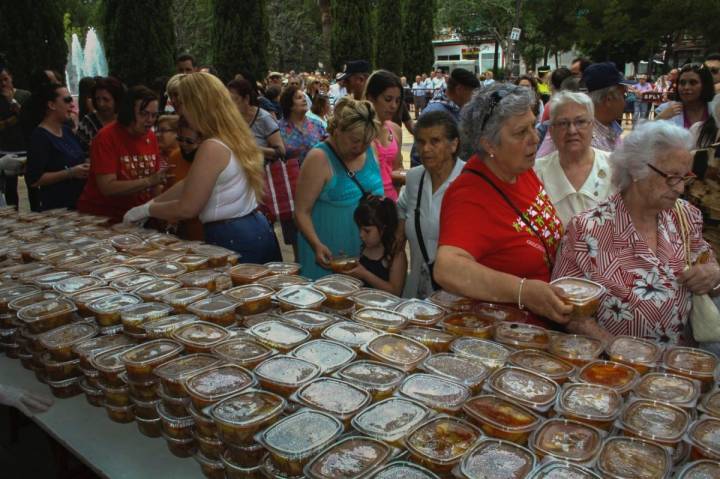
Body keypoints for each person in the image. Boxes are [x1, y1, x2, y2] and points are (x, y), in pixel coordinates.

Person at [553, 121, 720, 344]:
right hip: (612, 368)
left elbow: (710, 269)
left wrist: (713, 275)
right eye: (672, 177)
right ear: (635, 170)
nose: (680, 188)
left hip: (678, 366)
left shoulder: (686, 217)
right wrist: (620, 350)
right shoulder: (586, 230)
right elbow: (566, 309)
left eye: (684, 177)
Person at [434, 84, 571, 327]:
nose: (534, 138)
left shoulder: (520, 169)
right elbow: (447, 268)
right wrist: (523, 292)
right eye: (520, 133)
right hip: (508, 335)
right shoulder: (468, 195)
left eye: (533, 125)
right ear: (489, 145)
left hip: (544, 327)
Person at [123, 73, 282, 263]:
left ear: (197, 105)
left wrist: (146, 211)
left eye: (183, 104)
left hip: (232, 236)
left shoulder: (212, 146)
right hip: (254, 228)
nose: (180, 111)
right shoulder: (234, 136)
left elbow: (187, 208)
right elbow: (190, 183)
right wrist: (148, 205)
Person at [295, 97, 383, 279]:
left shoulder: (370, 149)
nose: (360, 147)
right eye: (354, 140)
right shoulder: (318, 158)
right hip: (328, 254)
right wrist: (316, 245)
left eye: (366, 142)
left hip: (365, 256)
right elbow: (301, 212)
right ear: (338, 130)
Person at [397, 110, 465, 298]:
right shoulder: (414, 178)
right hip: (417, 295)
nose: (425, 149)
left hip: (457, 298)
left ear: (453, 144)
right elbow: (402, 208)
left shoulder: (469, 181)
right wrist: (399, 232)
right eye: (420, 142)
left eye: (435, 141)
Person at [76, 85, 168, 222]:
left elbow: (154, 185)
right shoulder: (106, 137)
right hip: (101, 217)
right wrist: (149, 181)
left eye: (154, 115)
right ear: (129, 112)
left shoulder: (151, 137)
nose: (150, 120)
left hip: (136, 216)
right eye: (143, 114)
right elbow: (107, 187)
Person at [534, 91, 613, 226]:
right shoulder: (537, 173)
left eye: (580, 122)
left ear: (592, 126)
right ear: (552, 130)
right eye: (563, 123)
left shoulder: (615, 167)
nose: (572, 130)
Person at [26, 83, 89, 211]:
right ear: (51, 105)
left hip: (79, 204)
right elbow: (34, 180)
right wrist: (70, 173)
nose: (72, 104)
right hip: (58, 210)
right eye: (67, 100)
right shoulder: (40, 137)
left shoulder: (66, 131)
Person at [414, 68, 480, 166]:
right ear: (459, 90)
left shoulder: (458, 110)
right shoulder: (434, 113)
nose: (472, 98)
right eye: (471, 93)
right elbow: (418, 154)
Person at [347, 195, 407, 295]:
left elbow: (395, 291)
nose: (361, 235)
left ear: (384, 228)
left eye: (367, 231)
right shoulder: (365, 247)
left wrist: (365, 274)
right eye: (360, 229)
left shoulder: (396, 254)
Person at [364, 70, 404, 201]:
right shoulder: (360, 130)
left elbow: (397, 167)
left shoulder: (395, 129)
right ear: (371, 98)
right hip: (366, 205)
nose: (393, 106)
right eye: (388, 99)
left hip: (391, 204)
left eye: (397, 101)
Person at [165, 116, 204, 241]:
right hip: (182, 236)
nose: (183, 145)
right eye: (180, 139)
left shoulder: (210, 160)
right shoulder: (175, 157)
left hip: (207, 233)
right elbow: (168, 193)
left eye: (189, 141)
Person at [227, 79, 285, 161]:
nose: (230, 105)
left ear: (246, 98)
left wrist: (253, 149)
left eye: (234, 100)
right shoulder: (230, 119)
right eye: (228, 101)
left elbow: (281, 151)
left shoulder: (264, 118)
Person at [0, 57, 31, 208]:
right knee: (10, 188)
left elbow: (29, 118)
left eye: (5, 79)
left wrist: (12, 102)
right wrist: (10, 121)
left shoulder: (24, 96)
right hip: (6, 149)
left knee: (33, 183)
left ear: (11, 77)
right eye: (0, 80)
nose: (3, 83)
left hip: (26, 146)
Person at [278, 85, 327, 165]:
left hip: (318, 172)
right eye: (299, 98)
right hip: (292, 175)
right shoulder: (279, 128)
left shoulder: (317, 124)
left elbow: (328, 147)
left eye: (304, 97)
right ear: (289, 105)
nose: (304, 100)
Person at [655, 63, 714, 129]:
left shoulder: (715, 109)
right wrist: (659, 119)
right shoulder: (665, 109)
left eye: (693, 82)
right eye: (682, 83)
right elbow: (646, 136)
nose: (686, 87)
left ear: (705, 85)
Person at [77, 76, 124, 153]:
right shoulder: (88, 124)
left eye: (106, 100)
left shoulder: (126, 121)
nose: (101, 104)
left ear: (117, 100)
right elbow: (80, 153)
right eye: (97, 99)